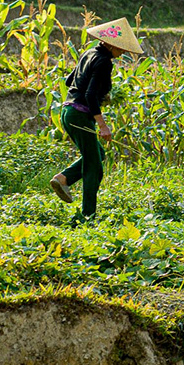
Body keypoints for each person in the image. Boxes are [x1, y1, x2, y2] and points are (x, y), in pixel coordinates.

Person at [51, 18, 143, 219]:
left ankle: (64, 178)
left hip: (68, 112)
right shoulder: (104, 62)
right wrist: (103, 125)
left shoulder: (89, 53)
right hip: (80, 116)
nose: (124, 52)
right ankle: (87, 216)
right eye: (121, 48)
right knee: (94, 166)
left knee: (97, 155)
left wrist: (101, 93)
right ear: (110, 44)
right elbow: (91, 95)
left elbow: (70, 81)